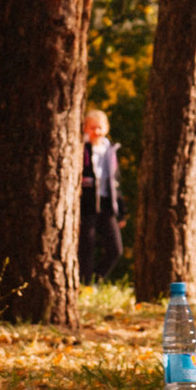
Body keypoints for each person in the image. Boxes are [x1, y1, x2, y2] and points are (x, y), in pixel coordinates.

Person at [77, 107, 124, 283]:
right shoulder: (81, 148)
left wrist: (121, 211)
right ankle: (84, 283)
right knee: (86, 248)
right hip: (86, 205)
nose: (96, 131)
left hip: (106, 204)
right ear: (85, 128)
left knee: (115, 249)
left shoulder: (110, 149)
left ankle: (94, 280)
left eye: (99, 127)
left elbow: (116, 181)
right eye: (92, 127)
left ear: (106, 128)